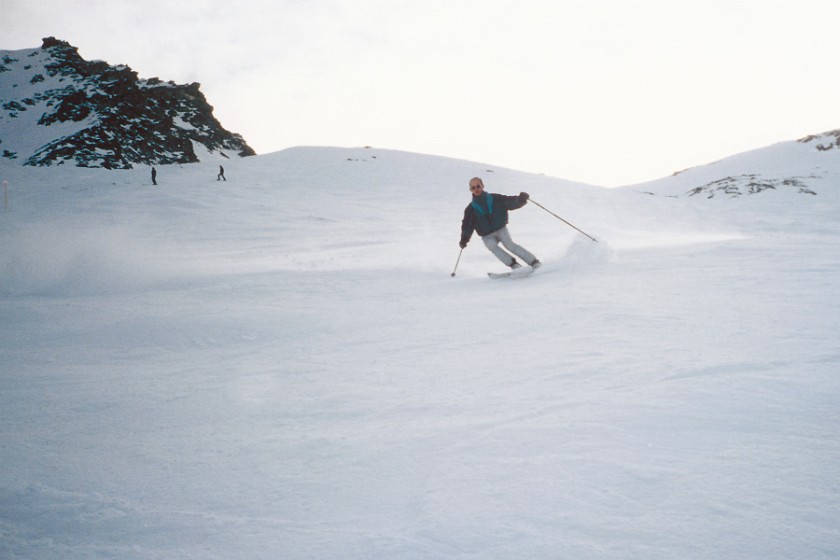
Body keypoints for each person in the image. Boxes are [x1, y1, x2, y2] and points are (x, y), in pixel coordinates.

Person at [459, 177, 540, 270]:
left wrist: (520, 200)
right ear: (470, 190)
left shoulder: (494, 198)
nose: (476, 189)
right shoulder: (470, 209)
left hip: (500, 228)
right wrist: (464, 239)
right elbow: (467, 225)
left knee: (509, 245)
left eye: (478, 186)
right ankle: (514, 265)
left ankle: (533, 262)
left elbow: (509, 201)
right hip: (486, 234)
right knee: (491, 246)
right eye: (473, 188)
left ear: (482, 186)